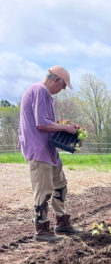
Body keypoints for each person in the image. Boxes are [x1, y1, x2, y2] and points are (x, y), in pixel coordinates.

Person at [18, 66, 83, 242]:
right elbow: (41, 124)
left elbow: (47, 123)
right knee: (44, 190)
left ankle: (62, 222)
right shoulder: (40, 90)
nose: (62, 90)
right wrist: (65, 127)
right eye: (63, 86)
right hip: (38, 150)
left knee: (60, 185)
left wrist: (63, 125)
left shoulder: (43, 94)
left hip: (49, 150)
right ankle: (42, 228)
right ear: (55, 80)